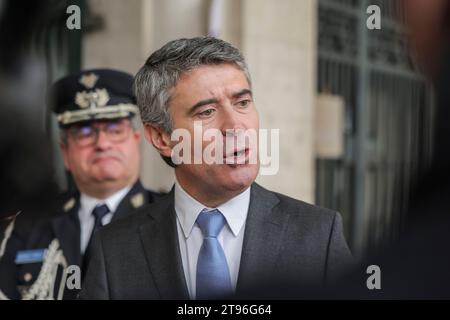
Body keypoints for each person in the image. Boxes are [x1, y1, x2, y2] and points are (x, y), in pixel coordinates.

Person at [80, 37, 353, 300]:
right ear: (162, 138)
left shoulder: (319, 236)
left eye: (242, 103)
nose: (235, 127)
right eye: (206, 112)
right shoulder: (114, 249)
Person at [0, 69, 160, 300]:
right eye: (85, 133)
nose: (102, 144)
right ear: (65, 152)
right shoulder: (27, 225)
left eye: (115, 130)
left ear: (136, 141)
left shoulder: (170, 218)